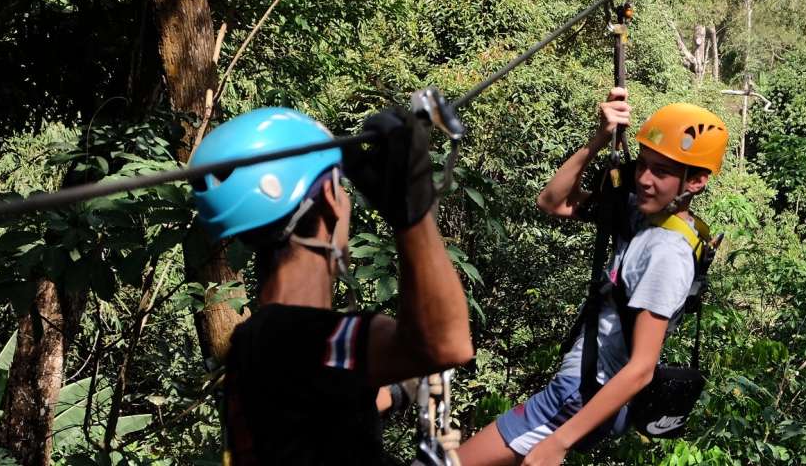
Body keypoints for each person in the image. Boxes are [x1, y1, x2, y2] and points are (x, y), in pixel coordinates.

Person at [189, 106, 474, 466]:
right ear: (328, 199)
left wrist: (398, 391)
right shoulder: (310, 338)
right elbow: (448, 344)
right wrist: (412, 215)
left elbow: (320, 404)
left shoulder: (255, 343)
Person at [457, 89, 728, 466]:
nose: (645, 180)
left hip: (582, 393)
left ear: (696, 182)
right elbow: (553, 201)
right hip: (584, 389)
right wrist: (600, 138)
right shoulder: (643, 215)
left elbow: (641, 369)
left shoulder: (668, 253)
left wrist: (559, 442)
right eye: (643, 165)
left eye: (662, 172)